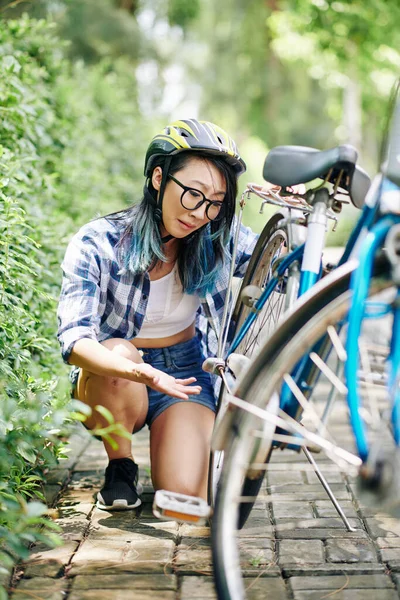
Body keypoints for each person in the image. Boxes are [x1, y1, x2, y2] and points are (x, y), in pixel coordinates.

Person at [57, 119, 258, 511]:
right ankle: (121, 465)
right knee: (120, 354)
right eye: (193, 195)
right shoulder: (98, 241)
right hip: (116, 374)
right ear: (158, 178)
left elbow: (277, 264)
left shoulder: (219, 237)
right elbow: (74, 340)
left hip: (186, 368)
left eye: (215, 201)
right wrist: (142, 373)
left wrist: (302, 221)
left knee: (183, 496)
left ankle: (170, 443)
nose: (202, 213)